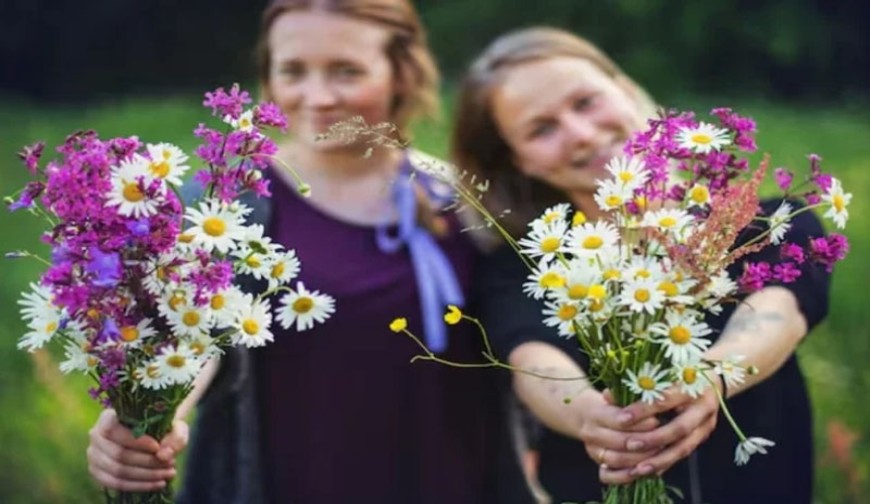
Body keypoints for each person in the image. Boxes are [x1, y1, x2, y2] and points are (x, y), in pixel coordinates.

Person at [85, 1, 501, 502]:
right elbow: (200, 333)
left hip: (450, 481)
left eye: (346, 71)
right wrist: (157, 412)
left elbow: (515, 334)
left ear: (400, 73)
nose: (317, 96)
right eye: (293, 71)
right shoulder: (228, 206)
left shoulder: (460, 197)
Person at [452, 26, 830, 504]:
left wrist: (709, 380)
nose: (582, 135)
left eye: (586, 102)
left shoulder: (767, 224)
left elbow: (782, 310)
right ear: (516, 160)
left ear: (626, 89)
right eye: (541, 129)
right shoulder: (527, 264)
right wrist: (594, 417)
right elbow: (532, 360)